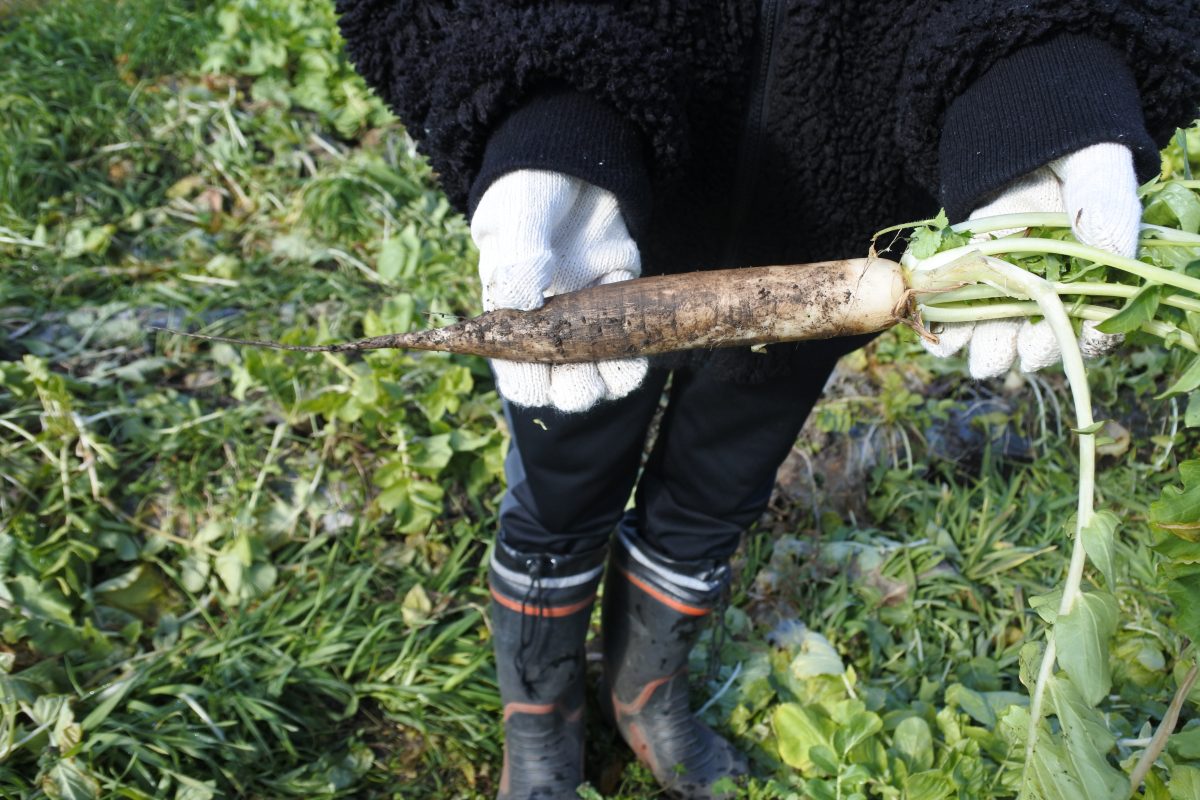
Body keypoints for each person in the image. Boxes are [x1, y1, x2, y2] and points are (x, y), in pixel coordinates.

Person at [334, 3, 1199, 798]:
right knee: (559, 494)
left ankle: (646, 692)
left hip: (828, 227)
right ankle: (539, 719)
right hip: (598, 233)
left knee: (716, 491)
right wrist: (548, 113)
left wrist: (1044, 81)